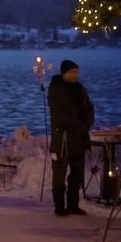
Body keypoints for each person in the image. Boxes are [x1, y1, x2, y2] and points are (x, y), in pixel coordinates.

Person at [48, 59, 94, 216]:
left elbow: (89, 108)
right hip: (63, 138)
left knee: (77, 173)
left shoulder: (80, 89)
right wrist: (77, 125)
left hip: (79, 138)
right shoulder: (56, 89)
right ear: (64, 73)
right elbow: (60, 114)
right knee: (59, 174)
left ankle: (73, 204)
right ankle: (59, 206)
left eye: (77, 72)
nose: (75, 75)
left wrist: (86, 124)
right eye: (72, 72)